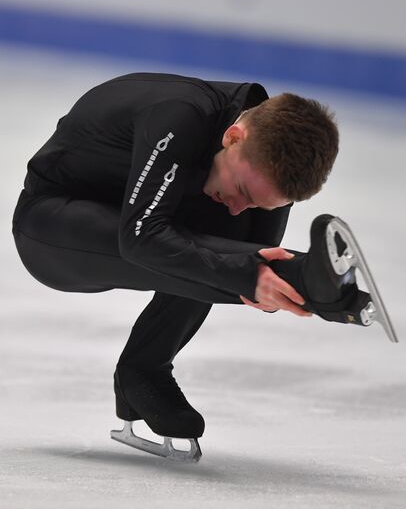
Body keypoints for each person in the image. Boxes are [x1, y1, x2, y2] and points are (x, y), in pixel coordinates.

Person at [11, 72, 364, 462]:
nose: (238, 205)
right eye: (246, 192)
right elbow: (143, 237)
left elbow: (254, 254)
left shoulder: (263, 155)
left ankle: (142, 372)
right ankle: (309, 279)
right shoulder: (179, 117)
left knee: (236, 242)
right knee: (229, 257)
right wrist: (260, 274)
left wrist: (286, 288)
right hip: (52, 225)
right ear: (233, 137)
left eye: (260, 203)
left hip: (138, 218)